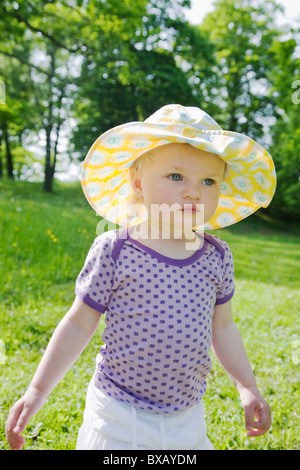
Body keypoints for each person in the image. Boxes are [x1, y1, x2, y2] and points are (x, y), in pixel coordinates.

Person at [6, 104, 276, 450]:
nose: (194, 191)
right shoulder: (115, 249)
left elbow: (222, 328)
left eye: (208, 181)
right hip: (117, 412)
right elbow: (78, 323)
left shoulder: (217, 256)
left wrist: (247, 386)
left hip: (186, 415)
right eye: (176, 176)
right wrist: (37, 390)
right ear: (138, 182)